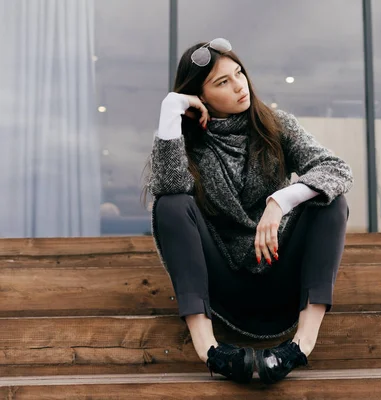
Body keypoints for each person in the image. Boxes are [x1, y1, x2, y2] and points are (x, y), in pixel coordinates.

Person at [144, 38, 353, 384]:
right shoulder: (189, 144)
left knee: (330, 200)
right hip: (224, 283)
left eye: (238, 73)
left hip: (280, 274)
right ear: (201, 95)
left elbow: (336, 169)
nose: (239, 85)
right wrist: (171, 108)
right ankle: (209, 349)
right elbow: (167, 188)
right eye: (222, 82)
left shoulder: (275, 124)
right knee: (171, 202)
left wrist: (279, 202)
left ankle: (301, 345)